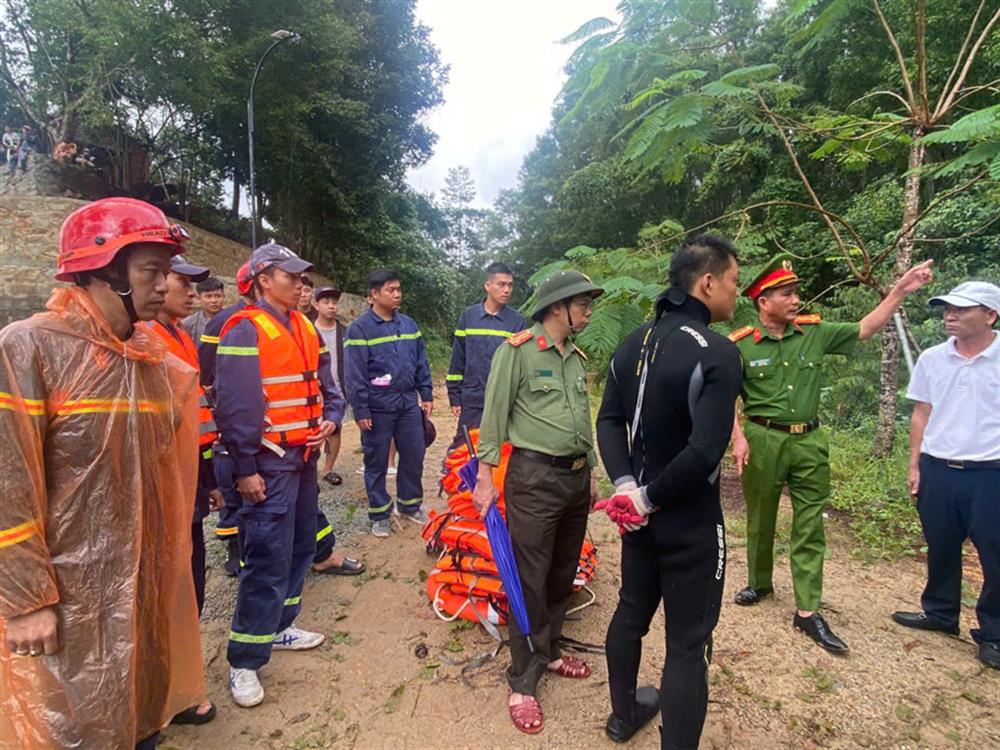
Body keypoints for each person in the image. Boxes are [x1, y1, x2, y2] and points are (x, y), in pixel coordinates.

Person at [0, 197, 206, 749]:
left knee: (139, 714)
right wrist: (26, 600)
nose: (166, 285)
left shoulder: (149, 360)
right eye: (151, 271)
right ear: (102, 269)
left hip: (140, 577)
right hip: (66, 594)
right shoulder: (31, 346)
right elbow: (8, 481)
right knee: (71, 725)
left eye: (167, 272)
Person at [729, 253, 934, 652]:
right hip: (762, 438)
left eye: (796, 293)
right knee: (761, 515)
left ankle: (807, 610)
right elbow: (724, 398)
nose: (795, 300)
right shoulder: (739, 345)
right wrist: (737, 436)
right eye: (786, 294)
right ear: (762, 301)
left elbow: (866, 327)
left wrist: (899, 291)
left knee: (809, 523)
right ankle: (759, 582)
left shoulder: (815, 333)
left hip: (808, 441)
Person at [595, 235, 743, 749]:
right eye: (733, 283)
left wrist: (628, 489)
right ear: (706, 283)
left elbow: (609, 421)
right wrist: (648, 496)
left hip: (638, 518)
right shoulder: (720, 353)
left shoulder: (630, 342)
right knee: (687, 644)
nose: (735, 295)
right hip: (689, 520)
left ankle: (622, 716)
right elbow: (705, 452)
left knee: (631, 612)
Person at [472, 269, 604, 735]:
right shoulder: (519, 351)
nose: (588, 311)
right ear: (556, 308)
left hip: (573, 479)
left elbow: (579, 417)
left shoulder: (574, 356)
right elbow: (494, 413)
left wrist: (589, 469)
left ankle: (548, 652)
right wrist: (485, 477)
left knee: (561, 571)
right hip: (532, 478)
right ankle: (522, 680)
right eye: (582, 303)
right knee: (529, 577)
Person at [215, 243, 346, 708]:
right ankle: (244, 660)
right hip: (268, 464)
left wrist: (331, 418)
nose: (300, 282)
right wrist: (245, 469)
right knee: (266, 556)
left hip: (304, 459)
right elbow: (234, 407)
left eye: (301, 276)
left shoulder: (306, 327)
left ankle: (282, 626)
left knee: (300, 546)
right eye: (290, 275)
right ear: (264, 280)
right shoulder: (243, 329)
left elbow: (329, 389)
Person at [892, 281, 999, 670]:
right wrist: (914, 464)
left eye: (961, 309)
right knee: (940, 545)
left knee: (995, 553)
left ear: (990, 315)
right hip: (938, 468)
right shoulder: (934, 359)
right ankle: (940, 612)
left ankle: (994, 634)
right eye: (946, 309)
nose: (949, 315)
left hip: (991, 473)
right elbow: (922, 413)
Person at [144, 253, 224, 727]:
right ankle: (164, 693)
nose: (192, 293)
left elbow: (196, 418)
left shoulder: (179, 337)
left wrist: (209, 479)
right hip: (162, 486)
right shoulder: (147, 341)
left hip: (188, 481)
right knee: (167, 587)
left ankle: (177, 684)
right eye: (182, 283)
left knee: (190, 580)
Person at [344, 268, 434, 538]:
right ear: (373, 295)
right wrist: (361, 409)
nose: (397, 295)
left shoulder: (408, 325)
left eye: (398, 289)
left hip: (407, 402)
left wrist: (426, 393)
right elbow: (354, 373)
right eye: (391, 290)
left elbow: (420, 361)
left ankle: (409, 504)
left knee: (413, 454)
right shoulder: (359, 328)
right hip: (377, 405)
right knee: (376, 460)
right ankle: (380, 512)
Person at [445, 261, 527, 461]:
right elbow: (458, 358)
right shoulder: (469, 317)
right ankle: (463, 490)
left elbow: (522, 364)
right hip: (473, 398)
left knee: (504, 453)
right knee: (464, 450)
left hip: (505, 401)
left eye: (510, 285)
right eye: (501, 284)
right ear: (487, 285)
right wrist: (454, 395)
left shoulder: (518, 321)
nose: (507, 290)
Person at [314, 285, 348, 486]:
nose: (331, 306)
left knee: (335, 428)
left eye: (334, 302)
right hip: (314, 389)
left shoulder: (345, 332)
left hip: (338, 388)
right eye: (326, 302)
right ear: (316, 304)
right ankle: (310, 467)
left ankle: (328, 468)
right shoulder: (307, 329)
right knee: (314, 430)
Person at [182, 276, 226, 344]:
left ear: (223, 297)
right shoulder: (188, 324)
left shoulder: (232, 320)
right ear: (199, 298)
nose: (214, 300)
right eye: (208, 296)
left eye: (218, 296)